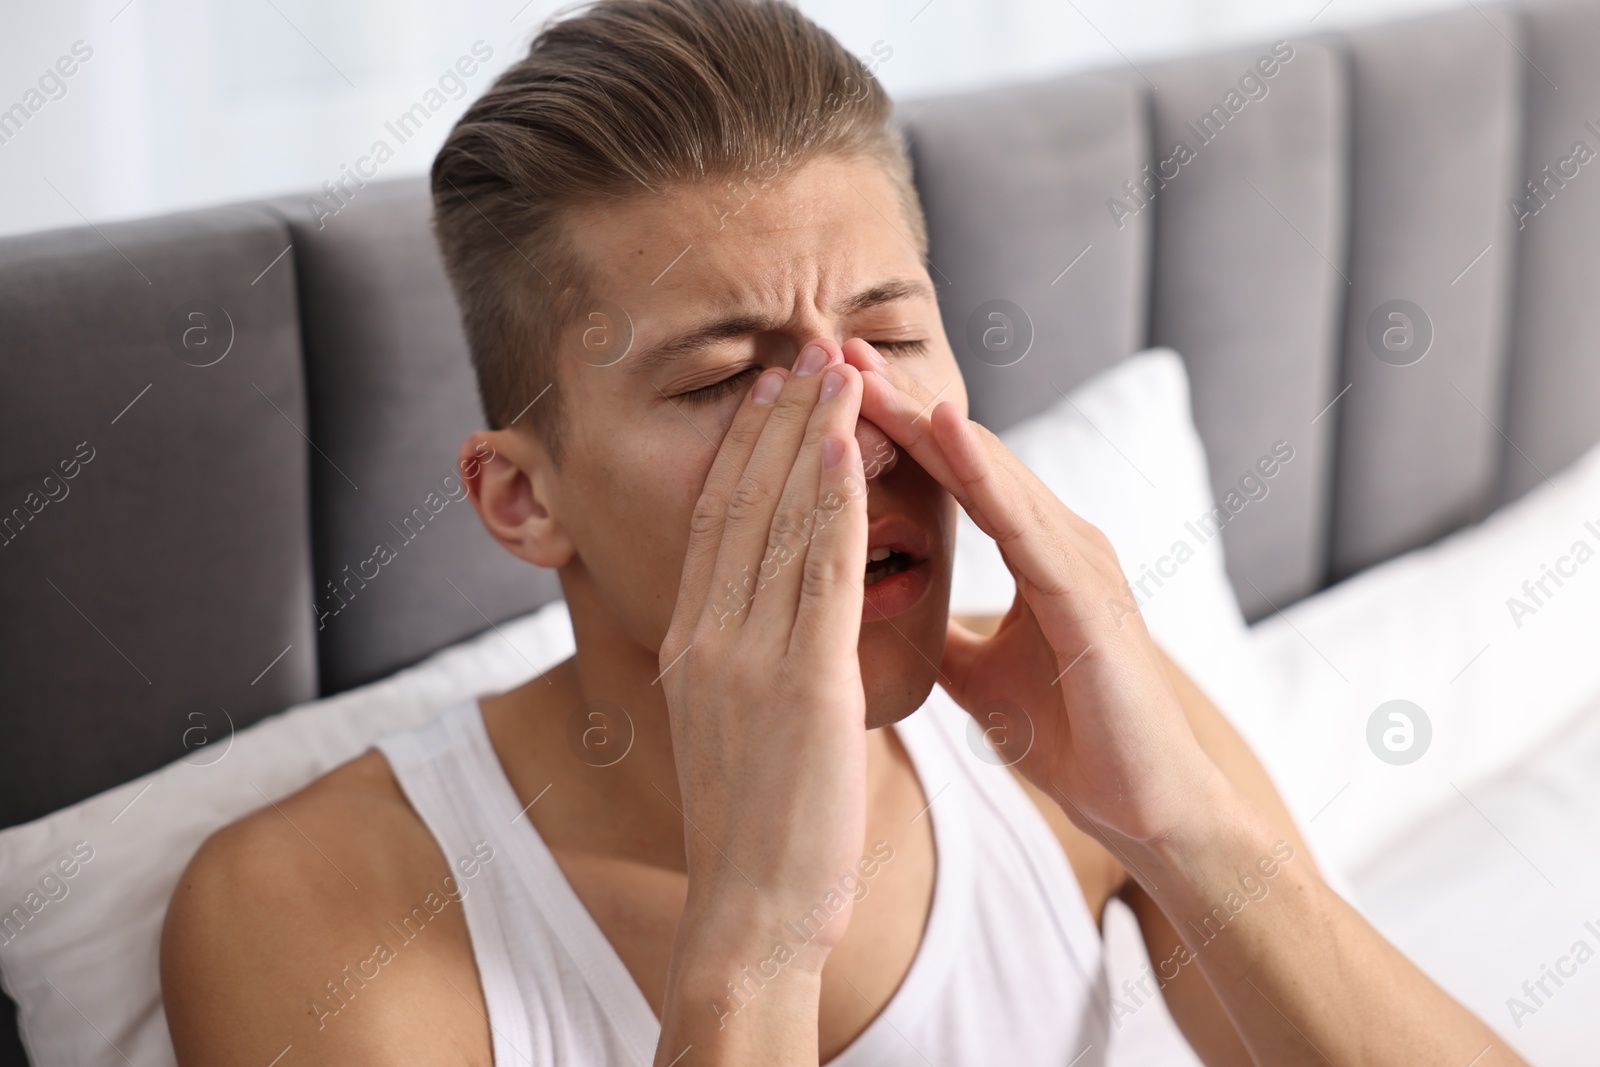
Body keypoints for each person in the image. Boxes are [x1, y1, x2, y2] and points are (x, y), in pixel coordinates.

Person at [159, 1, 1526, 1064]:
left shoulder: (1081, 734)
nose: (853, 428)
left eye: (890, 336)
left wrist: (1192, 836)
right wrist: (753, 943)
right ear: (525, 498)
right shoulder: (305, 909)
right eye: (720, 381)